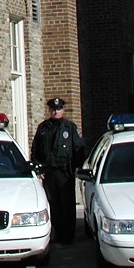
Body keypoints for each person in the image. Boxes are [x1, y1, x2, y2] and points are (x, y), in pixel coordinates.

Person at [30, 97, 84, 245]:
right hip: (49, 172)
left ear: (63, 110)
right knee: (53, 204)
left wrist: (76, 168)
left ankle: (68, 236)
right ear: (49, 111)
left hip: (65, 172)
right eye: (53, 109)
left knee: (67, 204)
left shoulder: (69, 127)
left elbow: (78, 149)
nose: (56, 111)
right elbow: (35, 150)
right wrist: (38, 167)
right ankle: (57, 233)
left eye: (58, 109)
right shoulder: (43, 128)